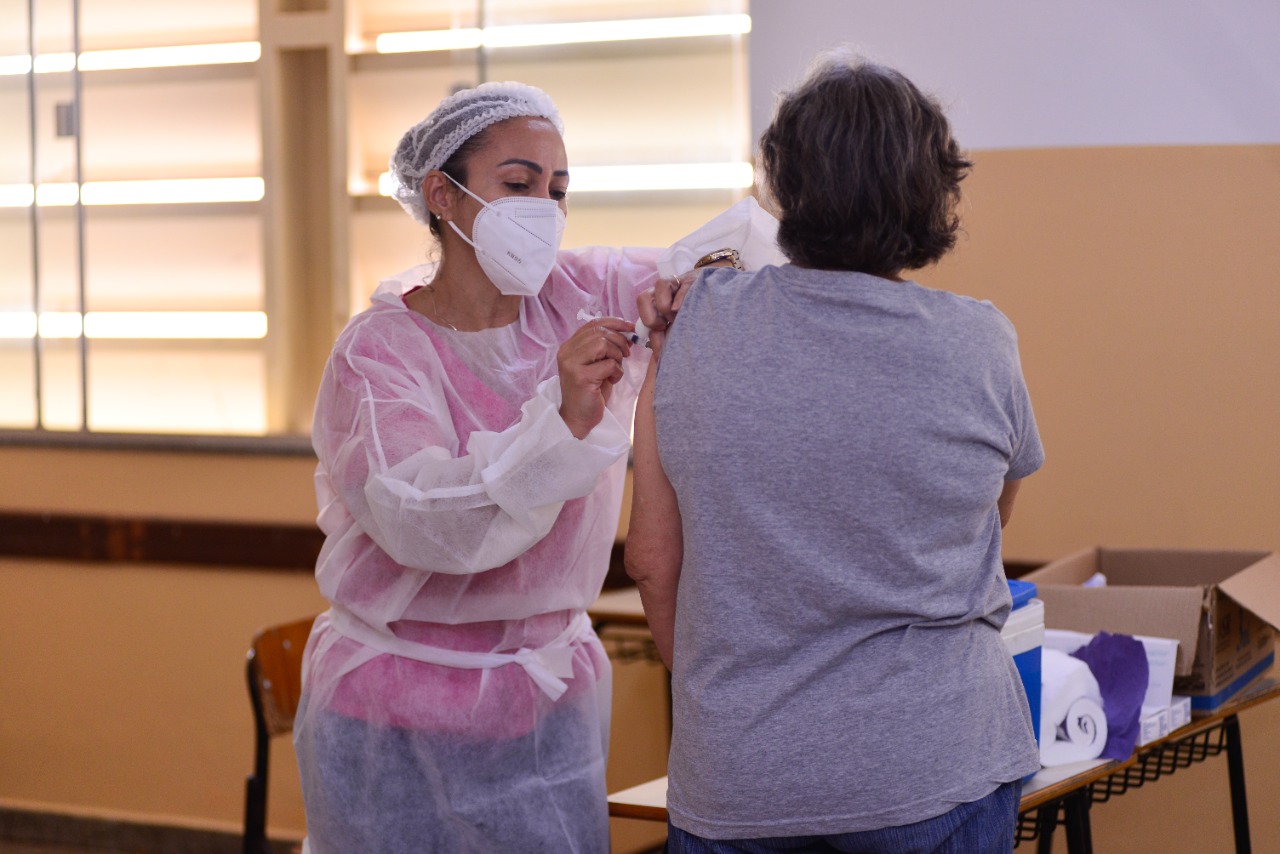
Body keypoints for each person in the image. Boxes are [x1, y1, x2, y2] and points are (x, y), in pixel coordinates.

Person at [626, 51, 1044, 853]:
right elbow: (981, 530)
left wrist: (735, 703)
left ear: (783, 184)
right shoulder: (980, 342)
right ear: (933, 192)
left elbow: (650, 558)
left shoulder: (696, 320)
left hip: (741, 777)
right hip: (933, 763)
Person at [294, 81, 680, 853]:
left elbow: (726, 261)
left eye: (559, 188)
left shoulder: (577, 294)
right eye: (517, 183)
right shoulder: (378, 353)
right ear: (443, 192)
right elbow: (428, 522)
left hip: (543, 708)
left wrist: (697, 287)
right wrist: (562, 420)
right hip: (392, 719)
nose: (545, 207)